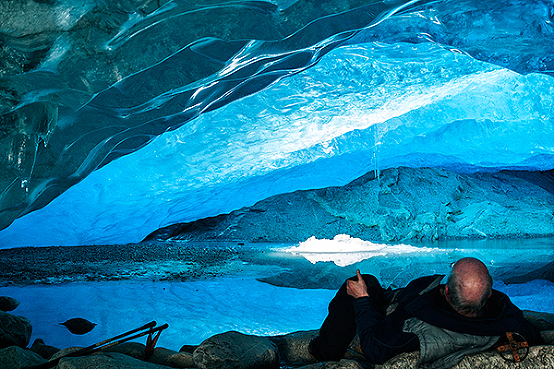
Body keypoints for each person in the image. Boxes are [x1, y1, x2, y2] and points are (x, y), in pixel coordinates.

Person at [308, 257, 543, 367]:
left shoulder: (419, 327)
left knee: (362, 282)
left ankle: (323, 352)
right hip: (404, 303)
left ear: (448, 291)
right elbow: (532, 334)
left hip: (390, 313)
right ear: (490, 294)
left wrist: (362, 300)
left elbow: (375, 347)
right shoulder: (507, 318)